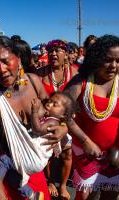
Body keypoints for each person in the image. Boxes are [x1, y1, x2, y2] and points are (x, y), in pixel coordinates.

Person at [0, 36, 68, 199]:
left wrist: (63, 127)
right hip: (2, 177)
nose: (2, 69)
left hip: (32, 175)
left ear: (18, 58)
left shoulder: (34, 82)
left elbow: (57, 111)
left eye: (5, 61)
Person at [64, 35, 119, 200]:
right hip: (87, 156)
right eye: (108, 60)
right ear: (96, 59)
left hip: (118, 156)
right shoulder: (81, 82)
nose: (113, 66)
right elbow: (62, 112)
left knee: (111, 196)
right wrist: (85, 141)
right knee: (85, 196)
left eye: (118, 60)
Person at [38, 39, 75, 199]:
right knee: (46, 154)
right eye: (51, 50)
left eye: (57, 50)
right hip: (45, 120)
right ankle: (50, 181)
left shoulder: (74, 73)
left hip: (68, 120)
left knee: (67, 155)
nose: (53, 54)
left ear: (66, 54)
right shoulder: (40, 73)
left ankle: (64, 185)